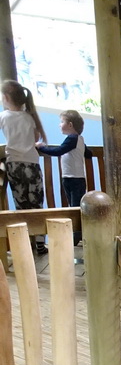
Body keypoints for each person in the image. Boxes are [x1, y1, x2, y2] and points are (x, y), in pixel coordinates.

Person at [0, 79, 47, 253]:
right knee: (36, 204)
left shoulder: (3, 116)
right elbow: (35, 138)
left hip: (14, 165)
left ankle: (26, 244)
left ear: (5, 97)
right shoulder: (30, 116)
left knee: (21, 205)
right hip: (32, 164)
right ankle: (41, 243)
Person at [36, 109, 93, 243]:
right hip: (73, 177)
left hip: (73, 178)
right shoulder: (79, 139)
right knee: (74, 206)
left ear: (70, 125)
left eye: (62, 122)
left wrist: (41, 147)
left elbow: (58, 151)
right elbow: (88, 153)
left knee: (74, 207)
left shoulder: (72, 139)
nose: (59, 124)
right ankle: (76, 234)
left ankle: (76, 236)